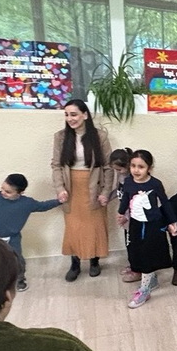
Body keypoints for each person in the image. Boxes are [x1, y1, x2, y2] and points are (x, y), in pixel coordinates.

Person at [52, 98, 114, 282]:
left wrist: (105, 192)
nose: (70, 119)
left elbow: (108, 167)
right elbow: (56, 165)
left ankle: (94, 261)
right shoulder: (60, 137)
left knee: (94, 227)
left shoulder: (100, 136)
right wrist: (60, 188)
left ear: (85, 115)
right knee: (74, 227)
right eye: (66, 115)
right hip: (71, 188)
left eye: (74, 114)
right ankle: (75, 263)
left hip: (94, 186)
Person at [116, 150, 177, 309]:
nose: (136, 170)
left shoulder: (155, 184)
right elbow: (125, 199)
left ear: (149, 168)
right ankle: (152, 280)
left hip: (152, 226)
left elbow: (165, 203)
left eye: (141, 167)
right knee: (137, 252)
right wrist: (121, 214)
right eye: (133, 166)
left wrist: (172, 221)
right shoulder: (128, 182)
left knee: (147, 255)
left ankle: (144, 290)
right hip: (136, 225)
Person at [110, 147, 141, 284]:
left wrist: (126, 217)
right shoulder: (122, 178)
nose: (117, 172)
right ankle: (133, 265)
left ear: (128, 165)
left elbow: (134, 202)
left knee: (134, 245)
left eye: (119, 169)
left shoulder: (133, 180)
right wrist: (105, 198)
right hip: (126, 218)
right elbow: (119, 193)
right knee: (128, 243)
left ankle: (138, 270)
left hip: (133, 218)